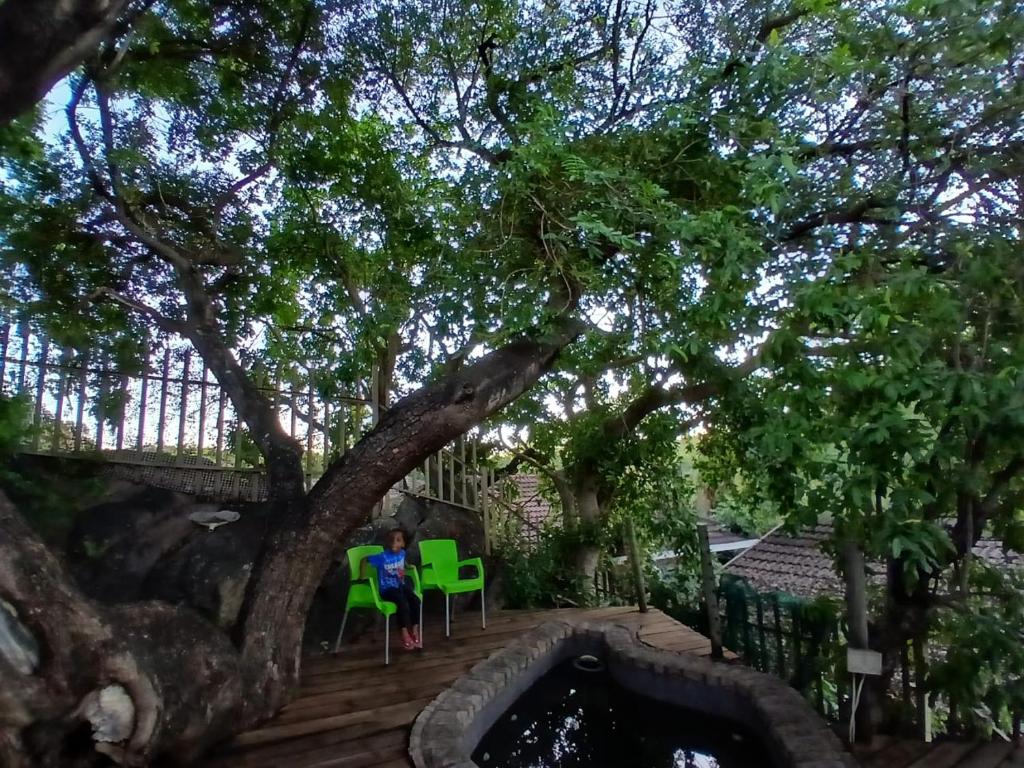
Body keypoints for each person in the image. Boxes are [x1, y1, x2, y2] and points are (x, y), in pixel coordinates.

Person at [363, 528, 421, 650]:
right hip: (387, 589)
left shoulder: (402, 553)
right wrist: (361, 575)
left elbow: (402, 561)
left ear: (403, 544)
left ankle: (415, 629)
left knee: (415, 600)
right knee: (402, 603)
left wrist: (407, 566)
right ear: (387, 542)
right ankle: (404, 632)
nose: (394, 542)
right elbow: (364, 560)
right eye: (391, 540)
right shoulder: (382, 557)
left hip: (400, 585)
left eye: (398, 540)